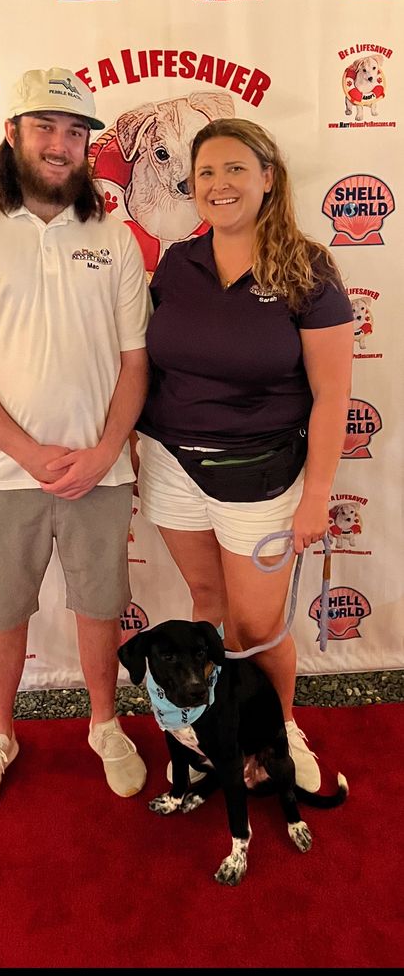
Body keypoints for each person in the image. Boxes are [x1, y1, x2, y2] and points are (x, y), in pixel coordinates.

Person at [0, 66, 152, 814]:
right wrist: (28, 452)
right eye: (45, 127)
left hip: (100, 472)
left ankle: (105, 724)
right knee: (3, 611)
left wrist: (106, 451)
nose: (61, 144)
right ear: (10, 133)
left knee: (100, 607)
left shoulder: (112, 237)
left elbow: (133, 363)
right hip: (5, 472)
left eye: (76, 132)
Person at [133, 117, 354, 795]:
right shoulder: (177, 261)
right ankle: (216, 729)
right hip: (172, 463)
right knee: (207, 604)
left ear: (267, 176)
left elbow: (332, 395)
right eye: (205, 173)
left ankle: (280, 730)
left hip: (261, 473)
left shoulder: (307, 266)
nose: (218, 184)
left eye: (234, 169)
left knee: (257, 625)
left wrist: (316, 495)